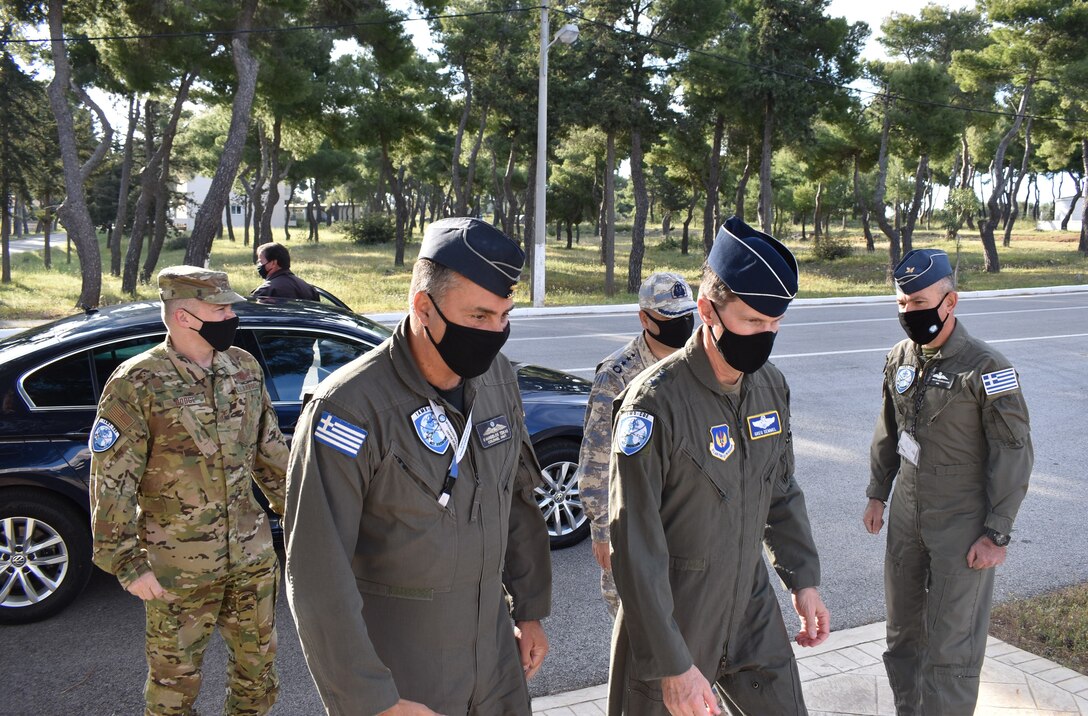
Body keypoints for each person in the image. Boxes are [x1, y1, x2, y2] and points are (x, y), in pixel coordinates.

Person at [285, 216, 552, 716]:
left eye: (504, 316)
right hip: (403, 675)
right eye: (478, 317)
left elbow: (515, 498)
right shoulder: (350, 408)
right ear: (422, 307)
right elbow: (318, 574)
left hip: (495, 660)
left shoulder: (496, 379)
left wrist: (531, 610)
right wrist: (373, 700)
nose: (495, 333)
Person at [607, 216, 830, 716]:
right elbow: (634, 546)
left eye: (775, 324)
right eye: (752, 322)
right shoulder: (654, 404)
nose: (765, 336)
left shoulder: (769, 387)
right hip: (674, 615)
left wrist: (803, 579)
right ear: (708, 310)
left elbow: (781, 490)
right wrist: (671, 664)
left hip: (749, 604)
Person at [89, 266, 289, 716]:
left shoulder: (244, 368)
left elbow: (272, 455)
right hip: (175, 567)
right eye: (219, 309)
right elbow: (111, 480)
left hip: (250, 555)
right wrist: (126, 563)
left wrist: (304, 521)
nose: (230, 317)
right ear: (184, 316)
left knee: (258, 675)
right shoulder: (136, 382)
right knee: (173, 686)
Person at [863, 248, 1032, 716]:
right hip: (906, 513)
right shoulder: (899, 357)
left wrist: (997, 531)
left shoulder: (987, 368)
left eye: (918, 303)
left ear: (950, 301)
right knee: (902, 636)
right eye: (901, 304)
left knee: (951, 646)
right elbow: (888, 431)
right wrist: (878, 492)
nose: (908, 313)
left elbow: (1014, 451)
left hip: (962, 520)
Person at [577, 271, 698, 618]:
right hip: (634, 526)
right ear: (644, 318)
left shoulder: (697, 363)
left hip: (686, 522)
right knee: (638, 630)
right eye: (670, 317)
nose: (682, 324)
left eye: (686, 315)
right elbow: (596, 459)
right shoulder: (617, 375)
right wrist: (602, 530)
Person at [252, 242, 320, 301]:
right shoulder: (309, 289)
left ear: (273, 263)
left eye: (260, 262)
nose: (259, 265)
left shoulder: (265, 291)